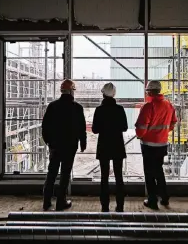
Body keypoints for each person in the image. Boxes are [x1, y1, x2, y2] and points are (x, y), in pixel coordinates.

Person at [42, 79, 87, 211]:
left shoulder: (52, 106)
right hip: (70, 146)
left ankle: (46, 201)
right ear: (72, 91)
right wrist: (82, 143)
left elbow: (45, 127)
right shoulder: (77, 108)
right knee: (65, 174)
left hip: (55, 146)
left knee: (52, 173)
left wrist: (49, 142)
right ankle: (61, 202)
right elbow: (81, 128)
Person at [135, 80, 177, 210]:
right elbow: (173, 122)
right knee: (159, 171)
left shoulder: (148, 106)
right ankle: (164, 198)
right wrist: (163, 133)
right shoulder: (168, 105)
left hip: (148, 145)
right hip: (162, 143)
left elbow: (141, 127)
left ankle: (152, 200)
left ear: (150, 91)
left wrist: (140, 135)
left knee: (149, 173)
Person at [92, 83, 128, 212]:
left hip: (104, 145)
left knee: (104, 176)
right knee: (119, 176)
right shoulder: (120, 109)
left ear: (103, 94)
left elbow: (95, 130)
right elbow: (124, 127)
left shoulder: (99, 110)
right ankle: (120, 205)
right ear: (114, 94)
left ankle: (105, 205)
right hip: (117, 145)